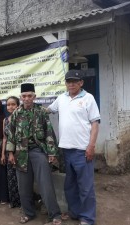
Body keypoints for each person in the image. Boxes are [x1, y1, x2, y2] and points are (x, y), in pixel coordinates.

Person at [47, 70, 100, 225]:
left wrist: (91, 146)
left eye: (74, 82)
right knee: (70, 186)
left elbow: (95, 124)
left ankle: (88, 218)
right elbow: (48, 110)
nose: (71, 84)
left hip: (82, 150)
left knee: (85, 187)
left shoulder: (88, 98)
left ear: (80, 83)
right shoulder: (61, 98)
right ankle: (75, 212)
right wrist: (28, 106)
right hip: (65, 150)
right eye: (68, 81)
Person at [6, 83, 62, 225]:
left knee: (46, 184)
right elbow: (10, 134)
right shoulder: (16, 114)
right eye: (24, 96)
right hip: (21, 153)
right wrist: (10, 153)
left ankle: (54, 214)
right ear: (21, 97)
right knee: (23, 186)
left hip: (38, 151)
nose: (27, 98)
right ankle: (28, 213)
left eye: (29, 96)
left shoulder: (41, 112)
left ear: (34, 96)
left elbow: (49, 132)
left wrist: (51, 153)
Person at [1, 96, 21, 208]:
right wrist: (3, 154)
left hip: (20, 152)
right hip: (9, 152)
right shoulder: (5, 120)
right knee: (11, 177)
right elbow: (4, 138)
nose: (10, 107)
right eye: (8, 104)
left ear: (18, 105)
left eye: (13, 104)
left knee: (21, 178)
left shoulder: (21, 118)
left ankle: (24, 202)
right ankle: (14, 201)